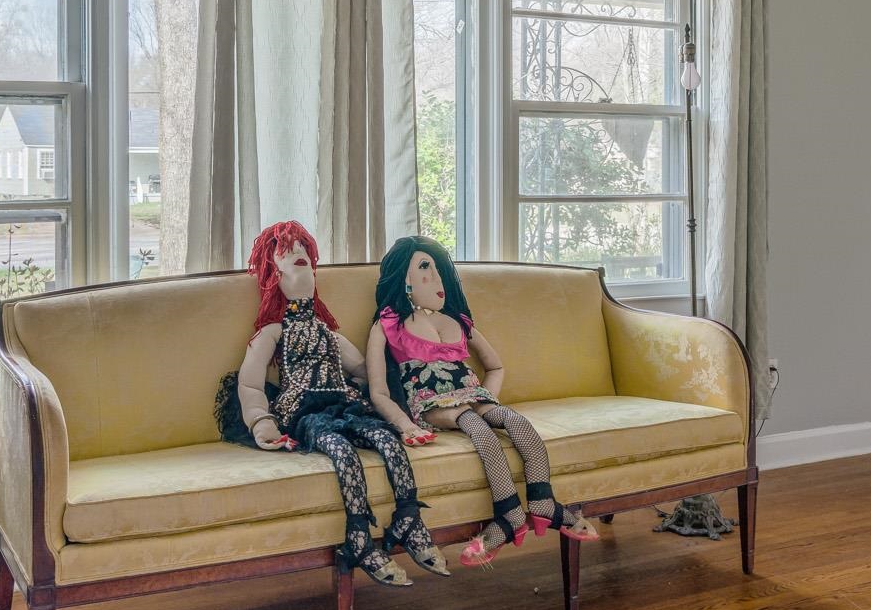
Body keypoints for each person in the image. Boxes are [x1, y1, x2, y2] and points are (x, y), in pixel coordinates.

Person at [217, 221, 448, 586]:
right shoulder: (274, 332)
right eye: (290, 256)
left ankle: (409, 518)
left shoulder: (328, 332)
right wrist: (262, 421)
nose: (301, 260)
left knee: (388, 440)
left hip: (344, 403)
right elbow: (249, 382)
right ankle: (358, 537)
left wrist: (393, 376)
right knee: (342, 452)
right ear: (273, 275)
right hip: (306, 412)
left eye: (305, 256)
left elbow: (362, 369)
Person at [367, 235, 599, 567]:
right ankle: (509, 514)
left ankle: (543, 502)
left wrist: (489, 399)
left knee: (515, 421)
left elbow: (495, 366)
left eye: (439, 269)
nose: (437, 277)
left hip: (473, 395)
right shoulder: (388, 324)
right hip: (431, 404)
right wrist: (406, 426)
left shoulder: (459, 322)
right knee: (478, 428)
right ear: (404, 278)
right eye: (425, 268)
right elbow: (378, 391)